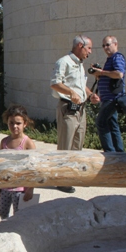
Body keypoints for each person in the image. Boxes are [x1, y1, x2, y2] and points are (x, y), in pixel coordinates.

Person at [50, 35, 100, 193]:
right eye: (89, 48)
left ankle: (72, 176)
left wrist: (91, 94)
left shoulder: (79, 65)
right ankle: (62, 180)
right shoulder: (64, 62)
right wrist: (71, 93)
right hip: (68, 109)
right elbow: (55, 83)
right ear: (80, 45)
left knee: (77, 146)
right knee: (66, 146)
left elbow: (81, 85)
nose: (90, 52)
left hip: (81, 109)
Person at [0, 104, 36, 219]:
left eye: (18, 123)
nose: (14, 126)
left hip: (21, 188)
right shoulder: (4, 142)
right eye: (11, 123)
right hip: (5, 187)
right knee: (2, 212)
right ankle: (5, 230)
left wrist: (30, 189)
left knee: (19, 215)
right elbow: (0, 164)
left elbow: (34, 168)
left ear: (25, 123)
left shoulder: (27, 143)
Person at [90, 35, 126, 153]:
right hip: (108, 98)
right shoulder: (110, 58)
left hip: (112, 98)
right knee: (112, 125)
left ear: (115, 44)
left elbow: (119, 74)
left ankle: (110, 152)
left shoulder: (117, 57)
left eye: (108, 45)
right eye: (103, 46)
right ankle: (119, 153)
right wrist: (99, 74)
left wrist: (102, 72)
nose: (105, 48)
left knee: (101, 122)